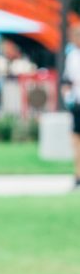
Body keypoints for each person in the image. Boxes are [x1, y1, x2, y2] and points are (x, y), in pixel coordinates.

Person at [60, 24, 80, 188]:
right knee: (76, 140)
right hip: (77, 103)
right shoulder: (72, 56)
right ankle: (78, 174)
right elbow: (67, 81)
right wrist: (67, 97)